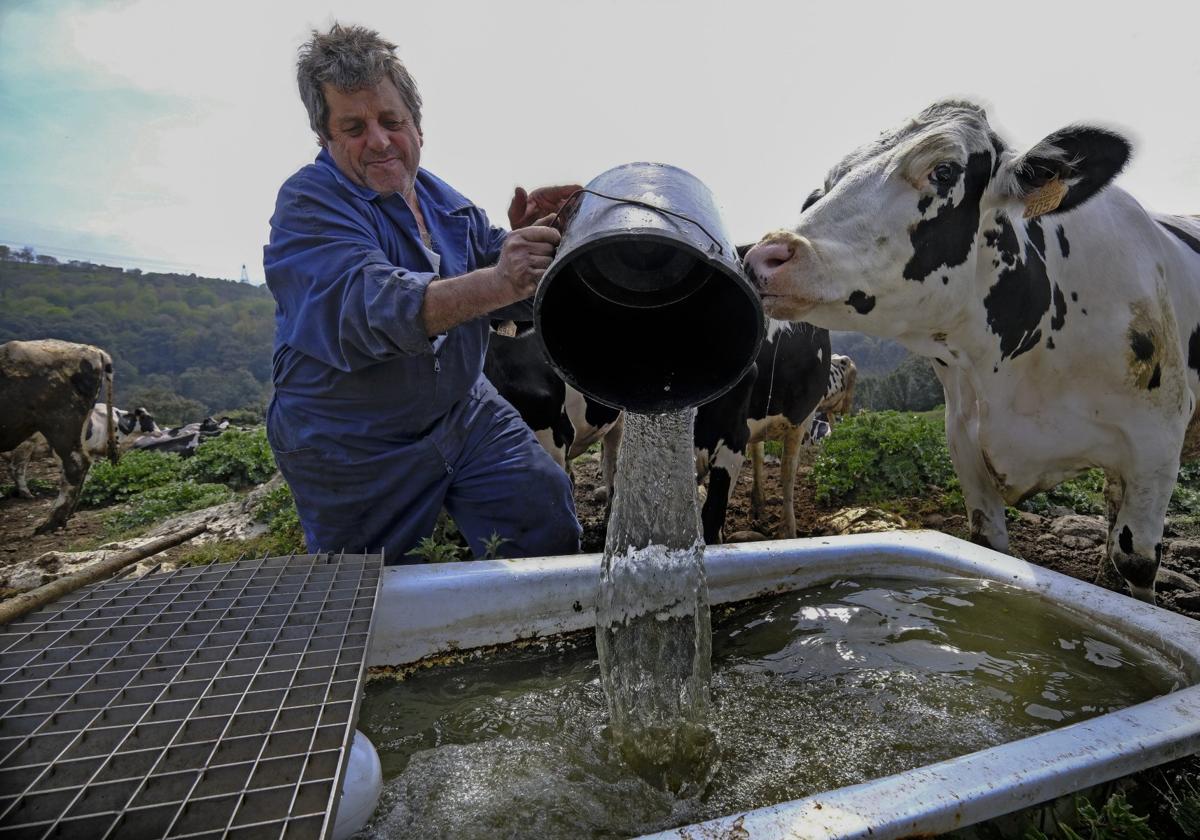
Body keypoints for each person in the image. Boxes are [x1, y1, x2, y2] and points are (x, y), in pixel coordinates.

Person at [263, 22, 582, 562]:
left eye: (392, 121)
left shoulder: (442, 200)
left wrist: (544, 242)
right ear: (325, 137)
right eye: (354, 127)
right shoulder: (308, 207)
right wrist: (497, 278)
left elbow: (506, 290)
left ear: (417, 125)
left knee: (543, 515)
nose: (380, 140)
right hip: (352, 441)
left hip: (462, 409)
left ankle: (533, 631)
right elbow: (371, 309)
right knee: (365, 592)